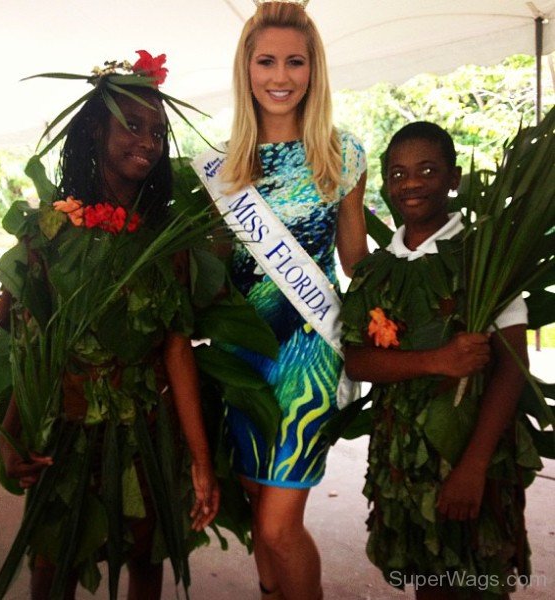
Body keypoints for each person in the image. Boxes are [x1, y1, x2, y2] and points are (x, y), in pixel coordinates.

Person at [0, 52, 219, 599]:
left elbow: (176, 350)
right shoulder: (48, 230)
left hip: (145, 427)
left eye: (158, 131)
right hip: (65, 429)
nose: (148, 140)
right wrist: (9, 434)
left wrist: (200, 459)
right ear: (95, 128)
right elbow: (30, 346)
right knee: (53, 565)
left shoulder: (166, 241)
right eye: (133, 125)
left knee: (145, 558)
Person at [341, 122, 538, 599]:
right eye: (398, 174)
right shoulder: (376, 270)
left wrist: (472, 466)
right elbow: (358, 362)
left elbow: (512, 368)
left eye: (427, 170)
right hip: (402, 459)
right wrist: (439, 361)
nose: (411, 184)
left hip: (474, 453)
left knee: (478, 580)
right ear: (386, 185)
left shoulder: (482, 255)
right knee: (430, 582)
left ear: (453, 178)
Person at [218, 3, 367, 599]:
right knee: (258, 507)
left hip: (308, 358)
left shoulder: (341, 153)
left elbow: (356, 261)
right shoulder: (224, 165)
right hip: (241, 355)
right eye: (267, 61)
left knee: (280, 526)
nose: (281, 76)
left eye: (296, 61)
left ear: (314, 69)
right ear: (246, 69)